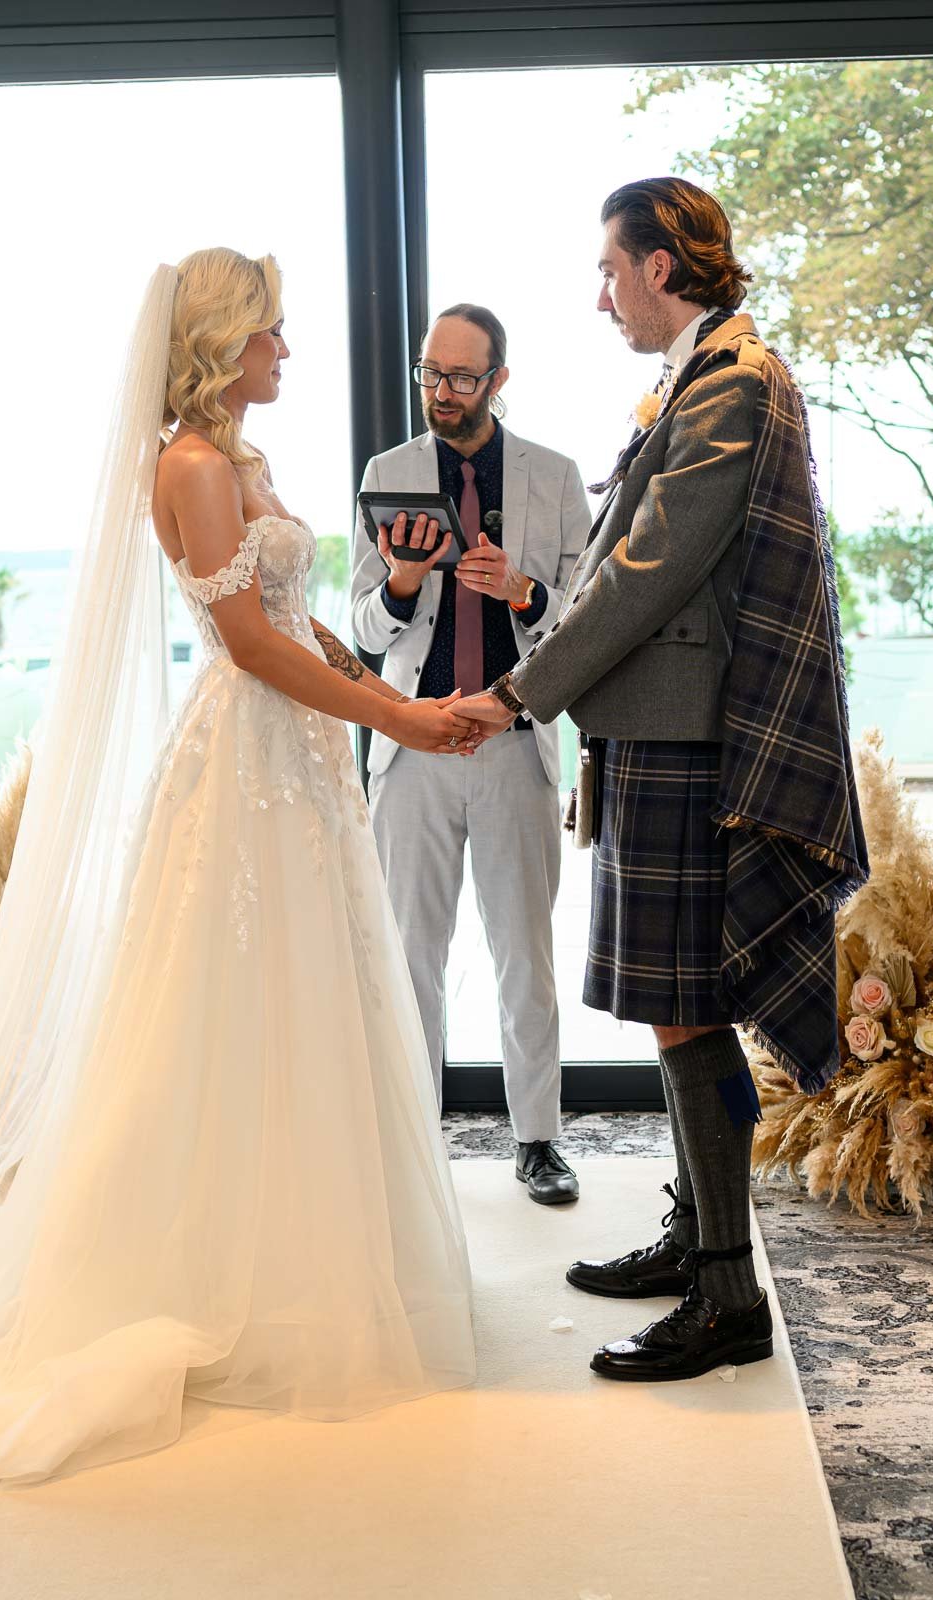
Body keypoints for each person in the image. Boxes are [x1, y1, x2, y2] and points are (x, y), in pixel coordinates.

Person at [0, 249, 478, 1492]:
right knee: (230, 1002)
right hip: (242, 767)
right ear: (225, 340)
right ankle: (208, 1273)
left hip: (296, 758)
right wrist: (389, 723)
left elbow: (293, 617)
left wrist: (384, 681)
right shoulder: (189, 466)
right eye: (275, 334)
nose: (288, 352)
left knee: (316, 996)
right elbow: (242, 643)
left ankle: (313, 1261)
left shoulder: (241, 461)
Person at [459, 179, 868, 1379]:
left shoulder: (734, 379)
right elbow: (621, 566)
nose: (599, 296)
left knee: (686, 1002)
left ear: (661, 262)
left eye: (607, 270)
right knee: (669, 1000)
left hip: (689, 737)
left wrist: (519, 691)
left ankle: (727, 1295)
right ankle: (699, 1236)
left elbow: (644, 571)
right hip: (658, 728)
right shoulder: (702, 373)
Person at [350, 305, 591, 1204]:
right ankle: (416, 1142)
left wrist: (524, 593)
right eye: (429, 374)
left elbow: (588, 622)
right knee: (411, 951)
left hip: (514, 741)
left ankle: (538, 1140)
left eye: (459, 379)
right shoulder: (388, 474)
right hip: (412, 746)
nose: (440, 395)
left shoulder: (556, 478)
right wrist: (405, 582)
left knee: (523, 953)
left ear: (497, 381)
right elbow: (363, 627)